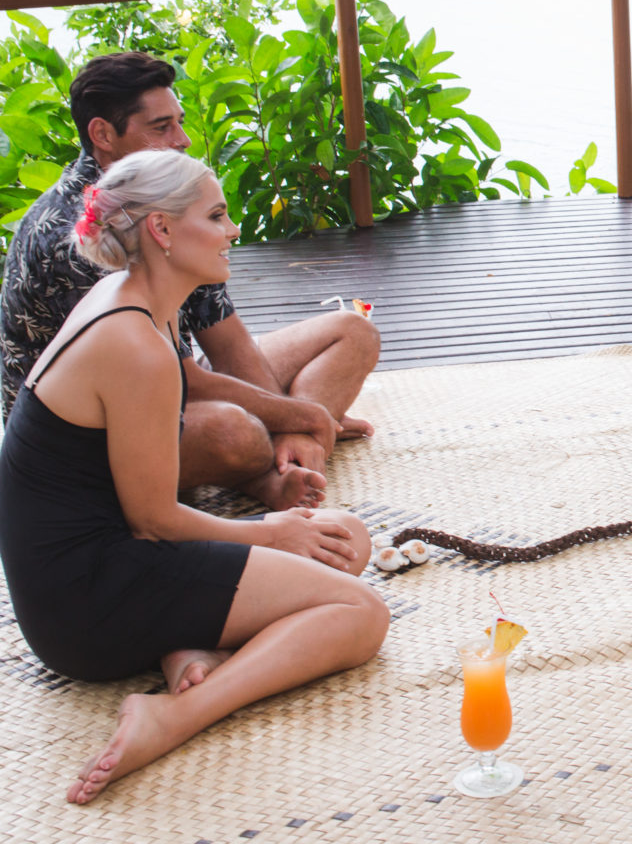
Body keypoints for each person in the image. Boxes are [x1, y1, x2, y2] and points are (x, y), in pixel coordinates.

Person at [0, 149, 388, 804]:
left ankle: (188, 643)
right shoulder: (132, 343)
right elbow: (155, 518)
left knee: (344, 535)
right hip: (84, 600)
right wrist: (272, 535)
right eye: (217, 215)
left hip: (99, 561)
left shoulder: (135, 302)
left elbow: (146, 497)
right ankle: (172, 715)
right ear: (162, 231)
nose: (234, 230)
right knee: (360, 612)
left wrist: (282, 517)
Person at [1, 52, 380, 511]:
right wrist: (307, 413)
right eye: (161, 128)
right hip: (92, 427)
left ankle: (294, 453)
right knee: (235, 431)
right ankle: (270, 471)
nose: (181, 141)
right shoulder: (82, 234)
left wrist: (294, 426)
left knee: (352, 332)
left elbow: (229, 344)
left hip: (169, 381)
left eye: (179, 122)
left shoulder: (174, 197)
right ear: (102, 134)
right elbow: (180, 382)